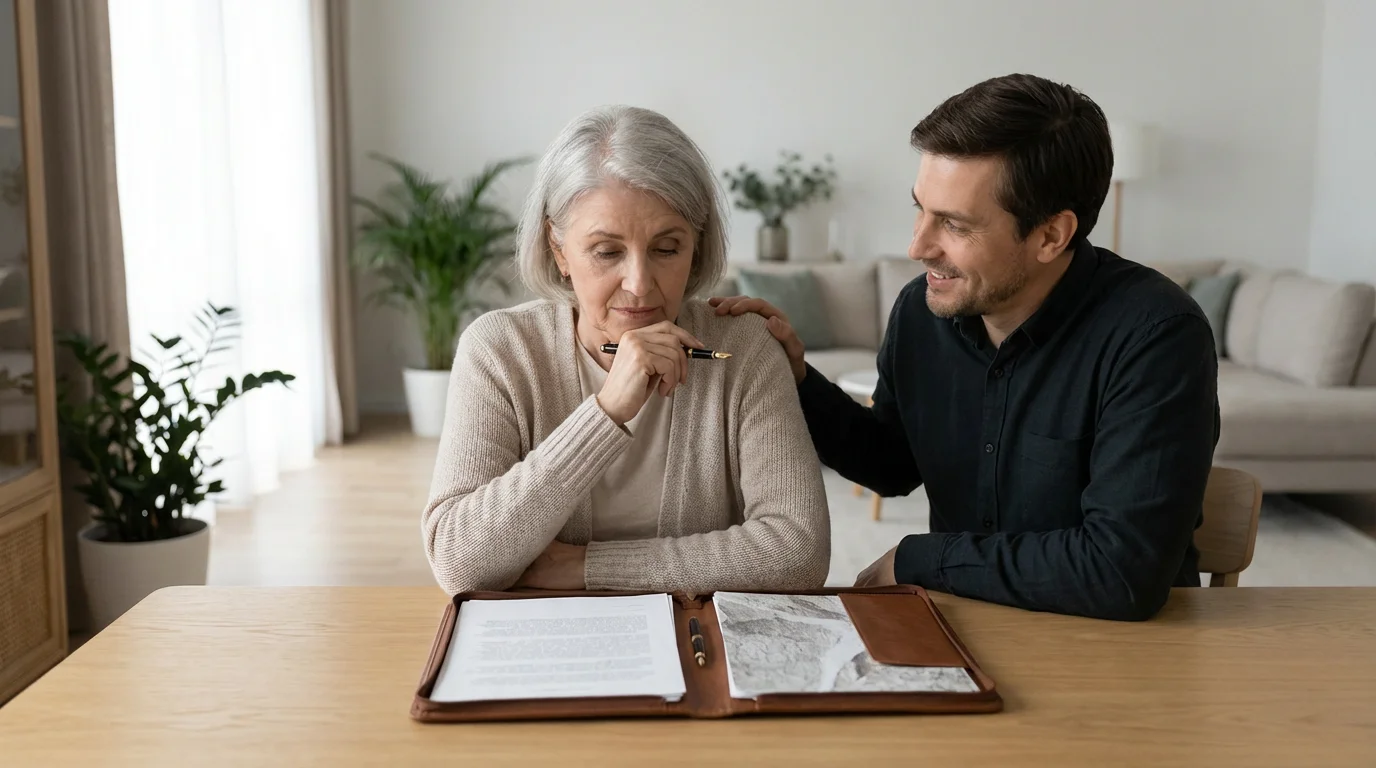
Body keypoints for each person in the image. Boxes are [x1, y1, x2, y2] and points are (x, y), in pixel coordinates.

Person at [712, 74, 1219, 621]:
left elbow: (1120, 573)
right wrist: (797, 379)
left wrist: (922, 559)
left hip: (1123, 653)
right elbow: (891, 463)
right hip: (966, 629)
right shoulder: (921, 311)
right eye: (920, 209)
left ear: (1051, 235)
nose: (917, 245)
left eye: (953, 224)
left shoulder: (1157, 334)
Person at [422, 105, 830, 596]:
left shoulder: (743, 347)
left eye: (666, 249)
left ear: (696, 246)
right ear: (558, 249)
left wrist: (584, 569)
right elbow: (459, 563)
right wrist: (606, 410)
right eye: (607, 251)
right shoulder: (499, 350)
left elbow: (798, 550)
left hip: (697, 645)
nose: (639, 285)